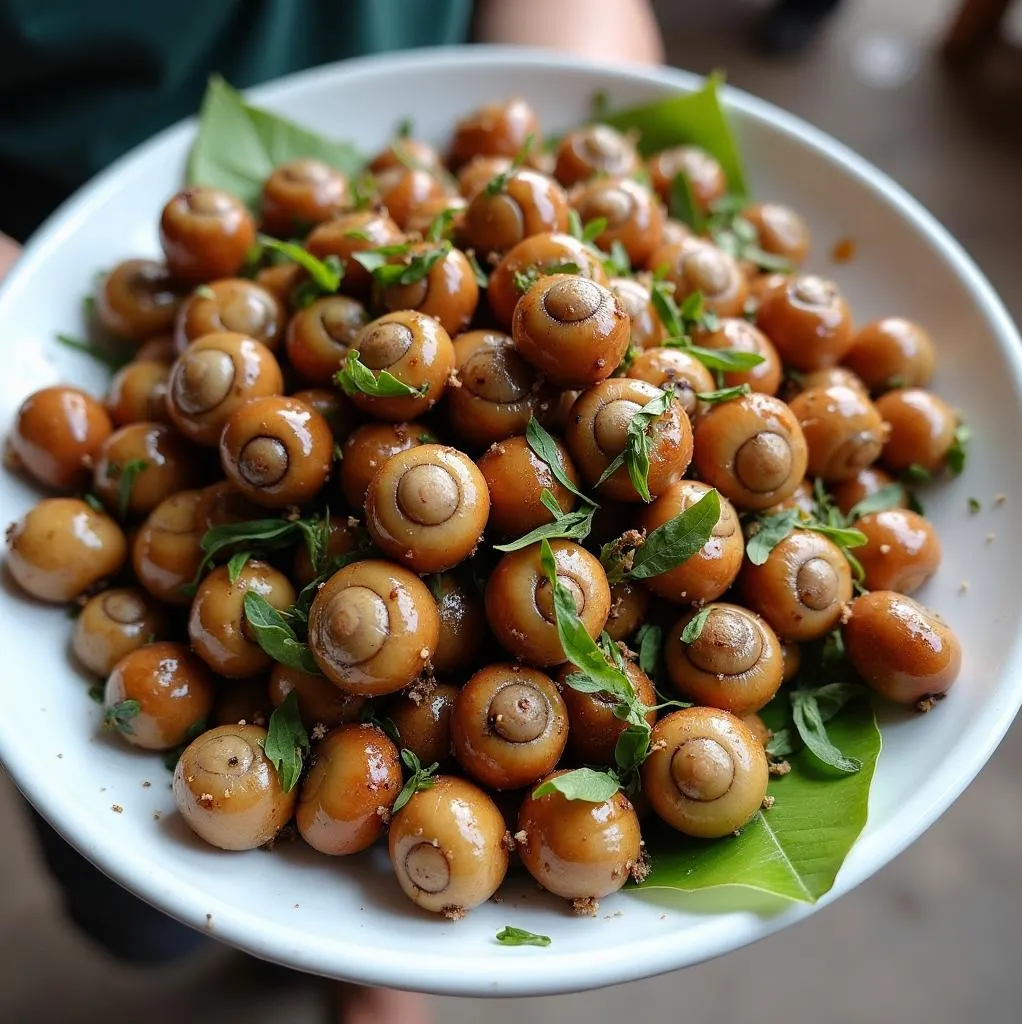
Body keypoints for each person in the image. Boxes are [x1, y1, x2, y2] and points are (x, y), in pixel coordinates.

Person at [0, 2, 663, 1021]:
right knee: (141, 920)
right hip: (53, 200)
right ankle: (335, 941)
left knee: (373, 819)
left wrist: (564, 109)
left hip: (395, 104)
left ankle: (376, 963)